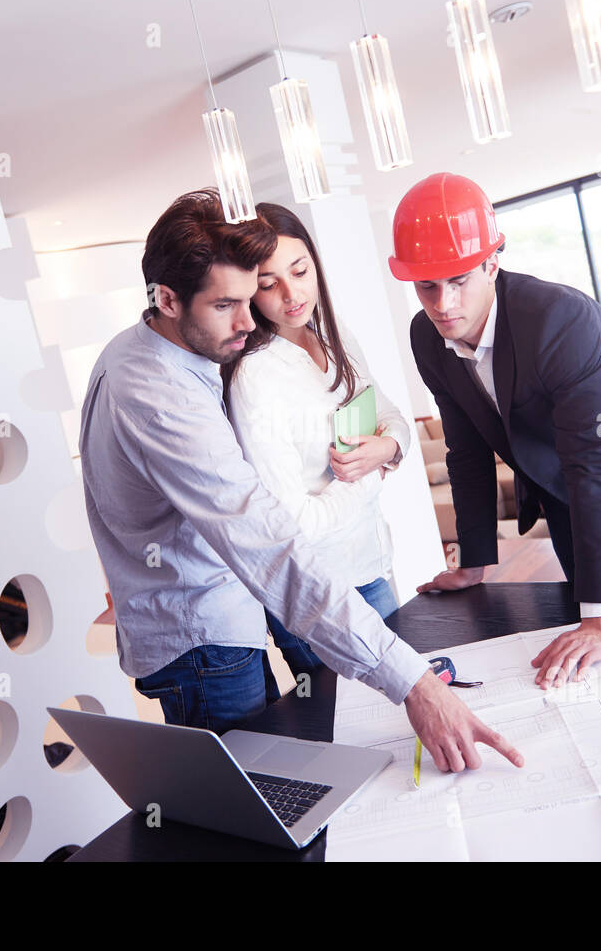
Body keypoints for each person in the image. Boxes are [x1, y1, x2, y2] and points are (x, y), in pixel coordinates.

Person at [78, 188, 524, 774]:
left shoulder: (158, 349)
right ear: (166, 298)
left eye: (248, 297)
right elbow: (268, 540)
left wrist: (386, 449)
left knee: (286, 773)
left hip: (224, 614)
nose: (247, 322)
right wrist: (413, 683)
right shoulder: (162, 394)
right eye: (226, 305)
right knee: (255, 792)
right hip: (200, 634)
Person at [391, 173, 601, 691]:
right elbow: (465, 449)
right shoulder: (426, 338)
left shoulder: (560, 317)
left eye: (459, 280)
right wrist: (474, 562)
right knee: (595, 659)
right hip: (563, 488)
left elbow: (595, 461)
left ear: (492, 263)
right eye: (428, 286)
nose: (443, 304)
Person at [222, 202, 406, 681]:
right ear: (248, 293)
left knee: (407, 731)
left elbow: (389, 415)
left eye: (300, 270)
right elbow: (296, 523)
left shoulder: (331, 329)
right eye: (268, 283)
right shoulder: (256, 376)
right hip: (319, 595)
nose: (291, 294)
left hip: (371, 565)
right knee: (356, 735)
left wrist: (386, 449)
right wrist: (374, 473)